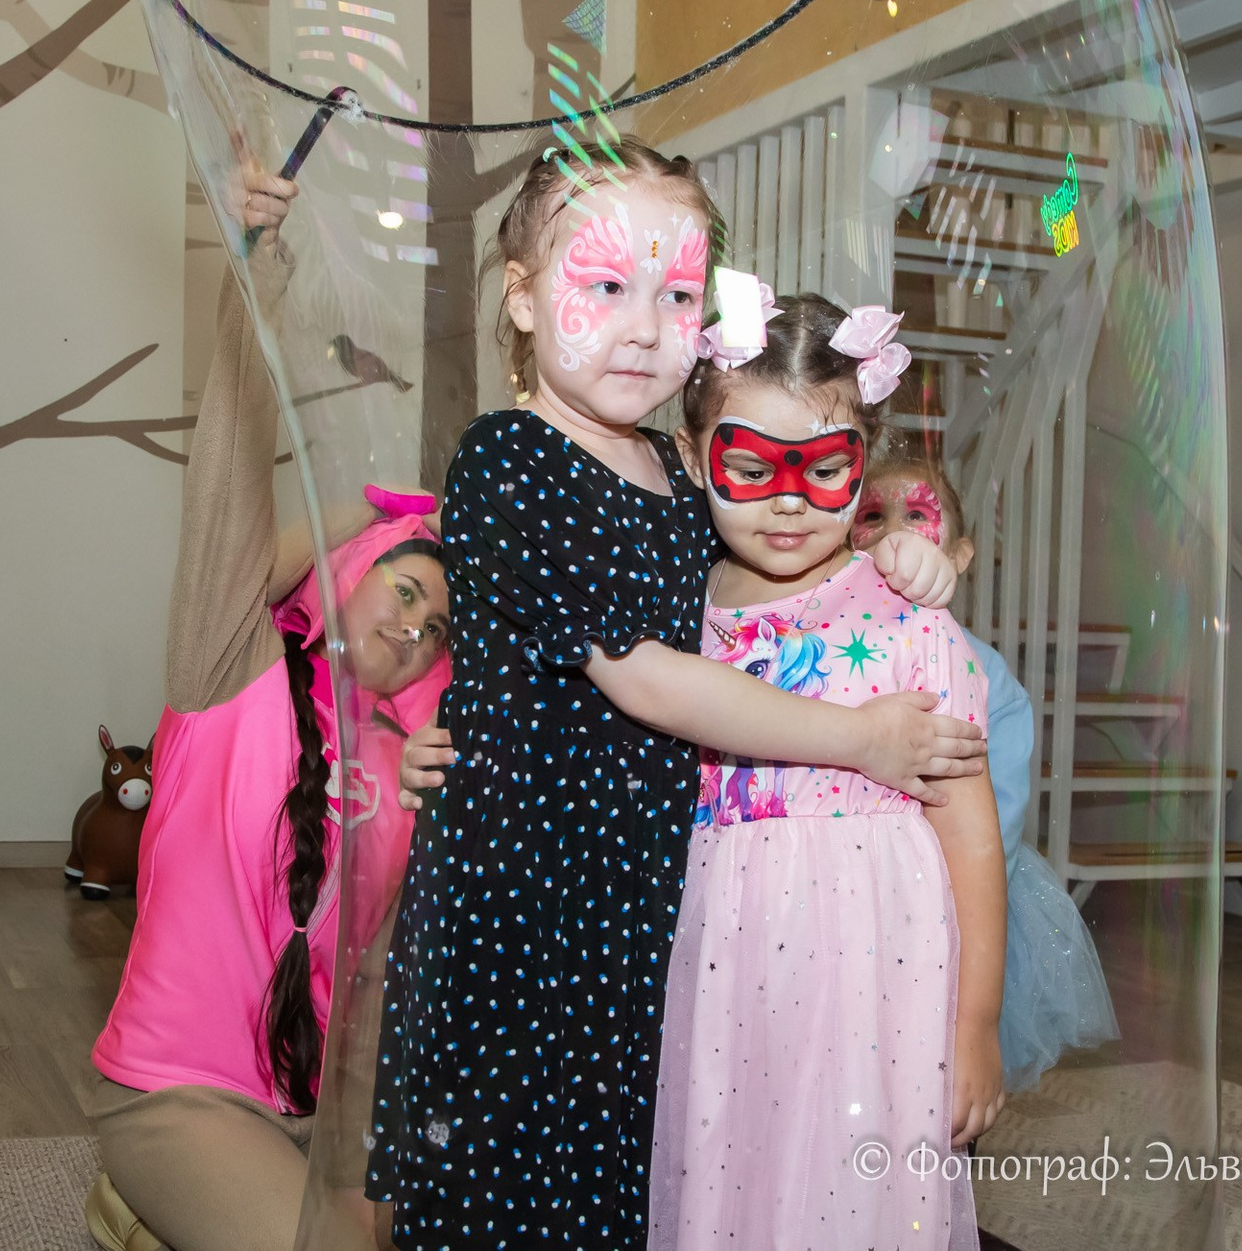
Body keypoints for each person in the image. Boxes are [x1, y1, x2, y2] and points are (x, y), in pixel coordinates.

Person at [368, 139, 987, 1251]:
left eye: (678, 293)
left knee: (629, 1175)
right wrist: (856, 738)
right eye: (606, 285)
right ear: (522, 297)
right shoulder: (508, 460)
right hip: (526, 897)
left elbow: (783, 553)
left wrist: (898, 552)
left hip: (643, 895)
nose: (646, 325)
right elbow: (644, 673)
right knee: (505, 1183)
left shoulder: (674, 472)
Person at [82, 166, 441, 1251]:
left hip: (317, 1109)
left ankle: (163, 1220)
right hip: (180, 1093)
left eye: (440, 626)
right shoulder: (228, 670)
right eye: (405, 591)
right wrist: (253, 278)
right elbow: (230, 495)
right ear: (347, 575)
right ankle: (147, 1189)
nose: (416, 627)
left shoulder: (408, 758)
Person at [645, 293, 1005, 1249]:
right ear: (693, 456)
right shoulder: (670, 613)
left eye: (825, 468)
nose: (790, 501)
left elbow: (971, 833)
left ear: (865, 460)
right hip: (725, 967)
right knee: (731, 1176)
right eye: (751, 467)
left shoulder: (909, 620)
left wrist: (977, 1023)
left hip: (874, 981)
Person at [852, 458, 1119, 1090]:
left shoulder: (987, 676)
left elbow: (996, 821)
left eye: (917, 514)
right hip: (846, 892)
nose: (894, 533)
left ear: (960, 555)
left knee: (935, 1066)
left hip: (946, 908)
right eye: (872, 516)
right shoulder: (833, 653)